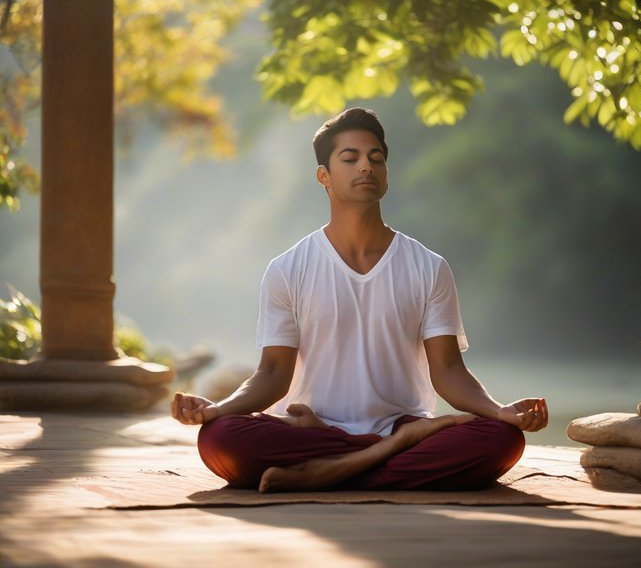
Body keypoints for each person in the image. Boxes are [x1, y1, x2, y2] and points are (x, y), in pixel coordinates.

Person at [172, 107, 548, 493]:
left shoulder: (428, 267)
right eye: (349, 159)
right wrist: (218, 410)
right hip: (309, 427)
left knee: (502, 438)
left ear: (385, 174)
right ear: (325, 177)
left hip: (402, 422)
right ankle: (382, 457)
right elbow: (271, 375)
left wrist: (500, 411)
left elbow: (449, 371)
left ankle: (330, 470)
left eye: (376, 158)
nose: (365, 167)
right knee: (220, 438)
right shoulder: (288, 268)